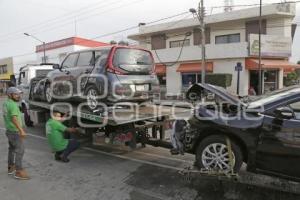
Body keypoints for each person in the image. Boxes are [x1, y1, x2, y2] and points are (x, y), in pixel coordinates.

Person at [3, 87, 29, 180]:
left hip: (9, 131)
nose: (18, 96)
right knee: (20, 150)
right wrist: (21, 130)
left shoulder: (6, 103)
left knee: (12, 149)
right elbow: (14, 118)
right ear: (10, 95)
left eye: (19, 94)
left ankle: (11, 167)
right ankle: (19, 171)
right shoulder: (13, 105)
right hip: (15, 131)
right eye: (16, 94)